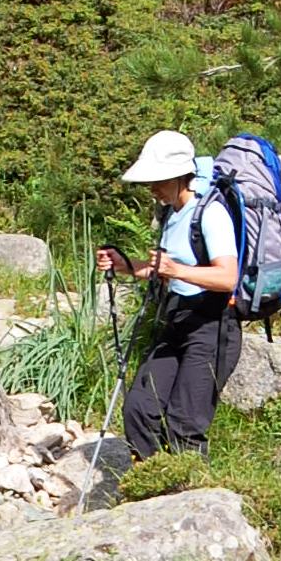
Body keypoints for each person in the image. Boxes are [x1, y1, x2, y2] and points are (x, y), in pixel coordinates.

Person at [96, 129, 241, 459]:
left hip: (213, 327)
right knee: (139, 410)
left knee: (184, 424)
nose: (152, 187)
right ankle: (153, 483)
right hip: (176, 321)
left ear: (181, 175)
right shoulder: (170, 213)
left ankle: (188, 495)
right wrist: (125, 265)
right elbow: (164, 268)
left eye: (159, 179)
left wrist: (177, 271)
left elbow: (227, 277)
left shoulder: (211, 213)